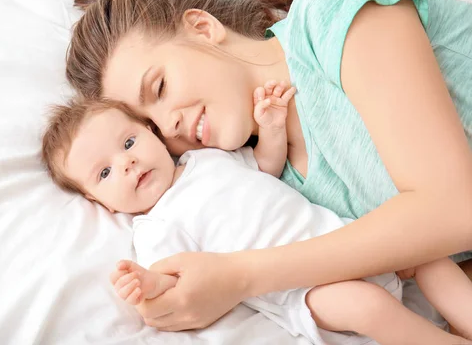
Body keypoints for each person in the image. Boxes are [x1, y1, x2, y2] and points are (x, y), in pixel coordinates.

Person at [66, 0, 472, 333]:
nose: (169, 127)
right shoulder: (279, 188)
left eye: (159, 87)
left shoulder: (326, 15)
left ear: (202, 27)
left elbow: (455, 209)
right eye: (150, 129)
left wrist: (240, 277)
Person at [40, 97, 472, 344]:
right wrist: (148, 285)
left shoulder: (207, 160)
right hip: (304, 292)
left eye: (129, 141)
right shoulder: (156, 227)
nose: (128, 162)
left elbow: (266, 167)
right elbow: (179, 284)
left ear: (153, 134)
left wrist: (271, 128)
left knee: (427, 253)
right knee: (367, 306)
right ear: (102, 204)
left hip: (339, 238)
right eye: (105, 173)